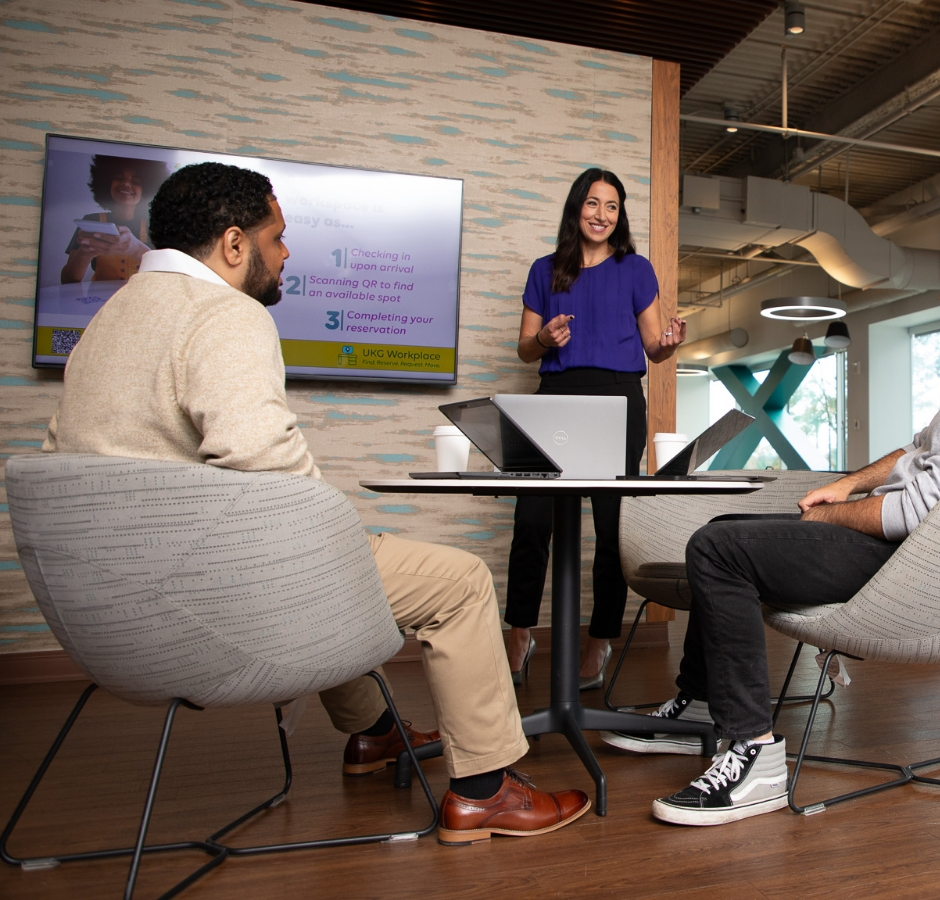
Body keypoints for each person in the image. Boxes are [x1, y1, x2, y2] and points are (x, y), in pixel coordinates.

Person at [42, 161, 589, 845]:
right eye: (277, 237)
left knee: (335, 562)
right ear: (235, 245)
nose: (287, 253)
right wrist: (343, 536)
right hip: (206, 602)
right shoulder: (223, 314)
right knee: (454, 579)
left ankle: (375, 733)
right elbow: (268, 474)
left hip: (111, 612)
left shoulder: (110, 316)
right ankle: (484, 792)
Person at [601, 224, 940, 826]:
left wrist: (835, 512)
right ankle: (702, 703)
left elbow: (919, 509)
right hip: (904, 550)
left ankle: (753, 753)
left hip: (911, 565)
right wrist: (850, 484)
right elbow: (915, 453)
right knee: (724, 530)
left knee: (720, 548)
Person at [507, 168, 687, 689]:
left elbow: (653, 349)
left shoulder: (637, 270)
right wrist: (542, 337)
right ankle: (519, 630)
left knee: (610, 528)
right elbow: (524, 347)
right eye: (592, 203)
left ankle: (599, 639)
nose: (601, 215)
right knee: (532, 522)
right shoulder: (545, 269)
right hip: (557, 397)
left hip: (617, 398)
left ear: (619, 214)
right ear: (576, 208)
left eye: (611, 206)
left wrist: (669, 344)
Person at [59, 155, 169, 284]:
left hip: (142, 300)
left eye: (136, 181)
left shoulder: (157, 225)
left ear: (147, 189)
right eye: (119, 178)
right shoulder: (91, 221)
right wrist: (84, 253)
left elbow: (169, 279)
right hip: (100, 302)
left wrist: (136, 249)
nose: (126, 184)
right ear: (106, 182)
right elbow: (67, 280)